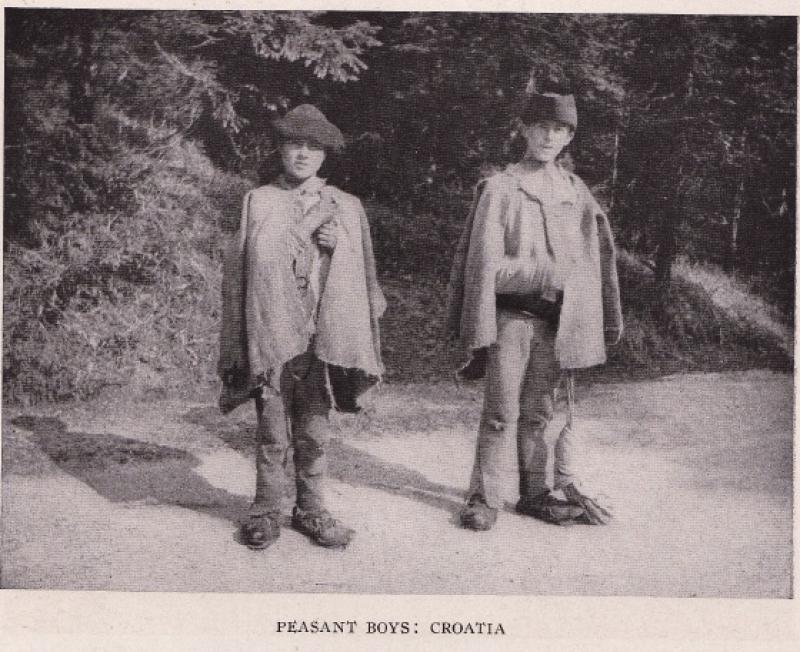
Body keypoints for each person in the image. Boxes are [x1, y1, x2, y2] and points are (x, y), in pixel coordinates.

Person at [446, 87, 623, 529]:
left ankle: (535, 492)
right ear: (523, 130)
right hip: (511, 320)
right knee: (500, 412)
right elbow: (485, 269)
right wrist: (546, 272)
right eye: (541, 127)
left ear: (569, 138)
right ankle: (483, 497)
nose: (549, 137)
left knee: (539, 413)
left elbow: (594, 259)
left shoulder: (575, 192)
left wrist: (585, 302)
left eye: (560, 130)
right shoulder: (501, 188)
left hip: (557, 324)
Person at [218, 104, 386, 550]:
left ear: (325, 154)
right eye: (295, 144)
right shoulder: (260, 201)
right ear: (280, 149)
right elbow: (245, 272)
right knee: (273, 431)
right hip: (273, 335)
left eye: (313, 147)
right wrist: (239, 343)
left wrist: (336, 247)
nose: (303, 154)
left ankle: (312, 509)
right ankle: (265, 511)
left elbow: (363, 275)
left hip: (321, 337)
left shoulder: (345, 206)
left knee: (314, 430)